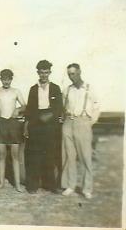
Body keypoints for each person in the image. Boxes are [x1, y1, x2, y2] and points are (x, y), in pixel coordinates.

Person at [61, 63, 100, 199]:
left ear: (79, 72)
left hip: (83, 122)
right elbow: (63, 105)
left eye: (74, 74)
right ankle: (70, 185)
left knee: (85, 156)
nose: (72, 77)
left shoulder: (89, 88)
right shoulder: (67, 90)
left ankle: (86, 188)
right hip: (68, 123)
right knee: (68, 156)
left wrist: (91, 121)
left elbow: (96, 106)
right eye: (69, 74)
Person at [24, 60, 63, 194]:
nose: (44, 75)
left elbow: (59, 107)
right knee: (34, 155)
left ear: (50, 73)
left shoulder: (56, 88)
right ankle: (32, 185)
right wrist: (28, 124)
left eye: (46, 72)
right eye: (41, 73)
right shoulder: (33, 89)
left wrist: (49, 115)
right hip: (36, 124)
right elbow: (29, 109)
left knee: (50, 155)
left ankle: (50, 184)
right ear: (38, 73)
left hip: (50, 124)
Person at [0, 69, 26, 192]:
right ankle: (1, 183)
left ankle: (17, 184)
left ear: (11, 79)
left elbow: (24, 105)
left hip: (13, 124)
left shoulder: (16, 91)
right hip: (2, 123)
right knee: (1, 155)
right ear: (1, 79)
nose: (6, 81)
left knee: (15, 156)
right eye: (4, 79)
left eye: (8, 79)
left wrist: (18, 110)